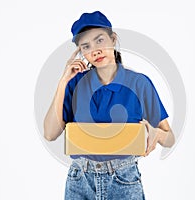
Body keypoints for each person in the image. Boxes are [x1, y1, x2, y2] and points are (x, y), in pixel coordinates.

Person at [43, 11, 175, 200]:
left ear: (113, 40)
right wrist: (63, 81)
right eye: (86, 46)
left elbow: (169, 138)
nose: (95, 50)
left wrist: (156, 133)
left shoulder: (139, 83)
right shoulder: (74, 84)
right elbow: (50, 133)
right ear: (81, 52)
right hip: (80, 182)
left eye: (100, 40)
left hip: (124, 181)